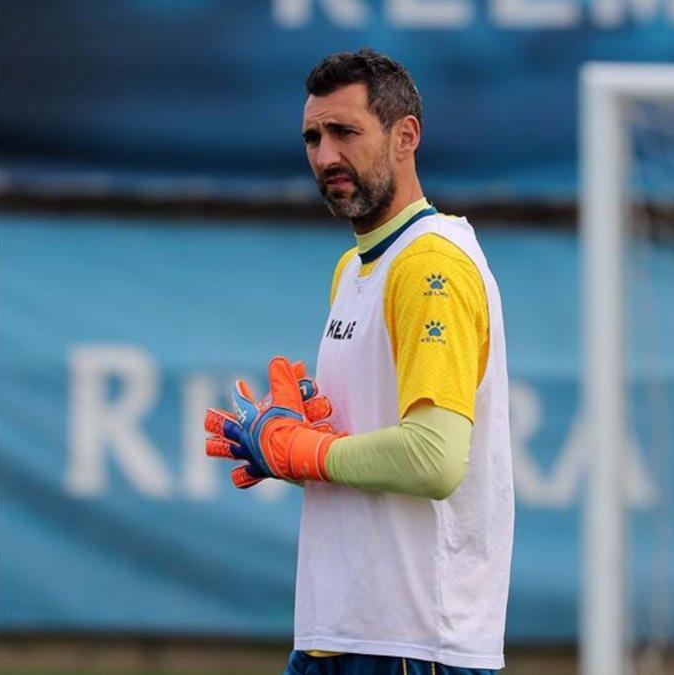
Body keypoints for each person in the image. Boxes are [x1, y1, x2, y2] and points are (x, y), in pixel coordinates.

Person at [206, 48, 513, 675]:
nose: (325, 157)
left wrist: (308, 453)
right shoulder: (354, 267)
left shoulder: (431, 264)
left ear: (406, 137)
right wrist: (286, 446)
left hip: (413, 645)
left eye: (344, 132)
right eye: (313, 137)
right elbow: (364, 457)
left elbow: (434, 459)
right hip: (340, 631)